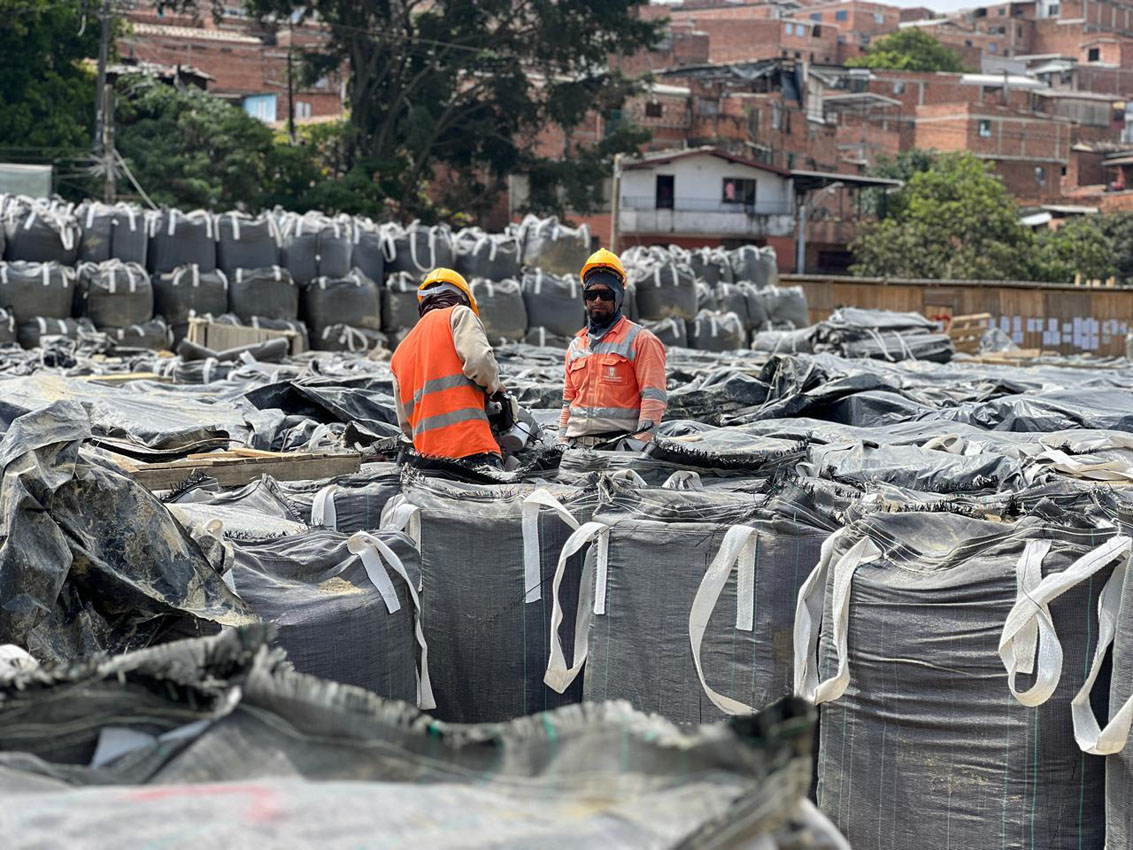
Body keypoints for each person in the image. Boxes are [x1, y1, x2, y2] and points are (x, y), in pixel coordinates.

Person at [390, 268, 503, 464]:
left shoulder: (400, 351)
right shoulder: (459, 315)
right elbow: (479, 362)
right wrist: (494, 388)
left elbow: (406, 425)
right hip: (472, 447)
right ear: (463, 298)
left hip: (427, 460)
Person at [559, 248, 668, 447]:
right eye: (591, 294)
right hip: (576, 447)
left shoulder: (641, 340)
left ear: (618, 296)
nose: (597, 300)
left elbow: (653, 398)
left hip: (619, 447)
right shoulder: (576, 346)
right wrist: (561, 441)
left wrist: (639, 445)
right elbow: (568, 402)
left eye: (605, 294)